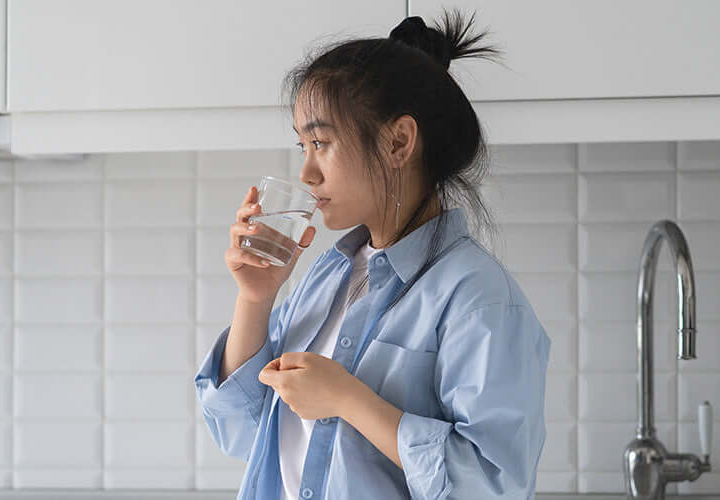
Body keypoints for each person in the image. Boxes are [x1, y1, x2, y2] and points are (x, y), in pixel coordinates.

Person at [195, 8, 551, 499]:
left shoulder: (479, 299)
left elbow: (492, 487)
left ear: (398, 142)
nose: (306, 173)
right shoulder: (331, 274)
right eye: (302, 144)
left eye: (320, 142)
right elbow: (245, 432)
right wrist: (255, 300)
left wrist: (349, 400)